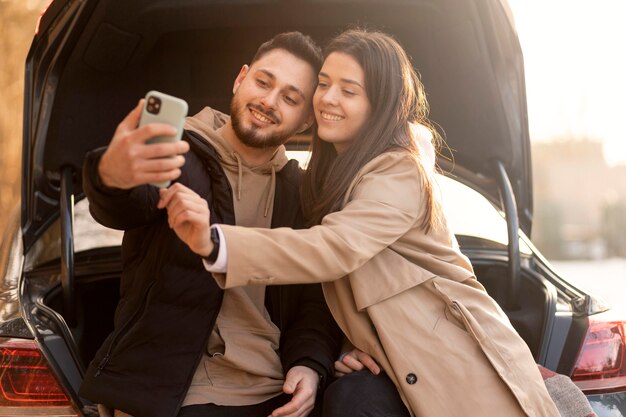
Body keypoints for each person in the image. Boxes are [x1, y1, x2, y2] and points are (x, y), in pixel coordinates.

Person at [159, 29, 562, 417]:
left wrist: (216, 243)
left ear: (379, 105)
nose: (327, 99)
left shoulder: (399, 172)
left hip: (454, 366)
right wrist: (350, 344)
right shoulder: (327, 177)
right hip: (394, 361)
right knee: (352, 396)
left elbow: (334, 249)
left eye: (348, 91)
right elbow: (357, 288)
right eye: (323, 83)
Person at [79, 32, 342, 417]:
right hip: (170, 392)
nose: (268, 102)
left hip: (270, 391)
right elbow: (123, 203)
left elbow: (314, 303)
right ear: (240, 79)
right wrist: (110, 174)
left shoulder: (301, 196)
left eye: (290, 98)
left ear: (306, 119)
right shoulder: (178, 153)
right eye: (263, 82)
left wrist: (309, 364)